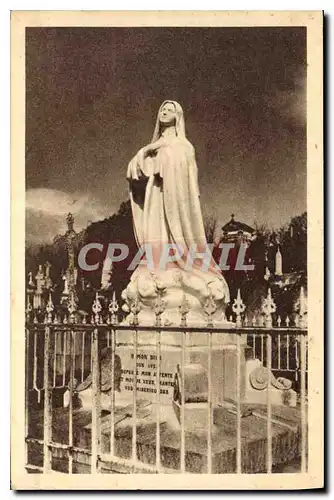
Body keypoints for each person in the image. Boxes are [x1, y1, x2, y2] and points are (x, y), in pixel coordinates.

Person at [126, 100, 229, 301]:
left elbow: (188, 182)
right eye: (162, 109)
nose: (164, 112)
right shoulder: (152, 146)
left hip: (178, 203)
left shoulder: (184, 146)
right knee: (156, 235)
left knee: (180, 239)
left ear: (178, 116)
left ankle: (183, 265)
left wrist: (164, 155)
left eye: (170, 109)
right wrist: (148, 151)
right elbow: (133, 171)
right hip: (157, 195)